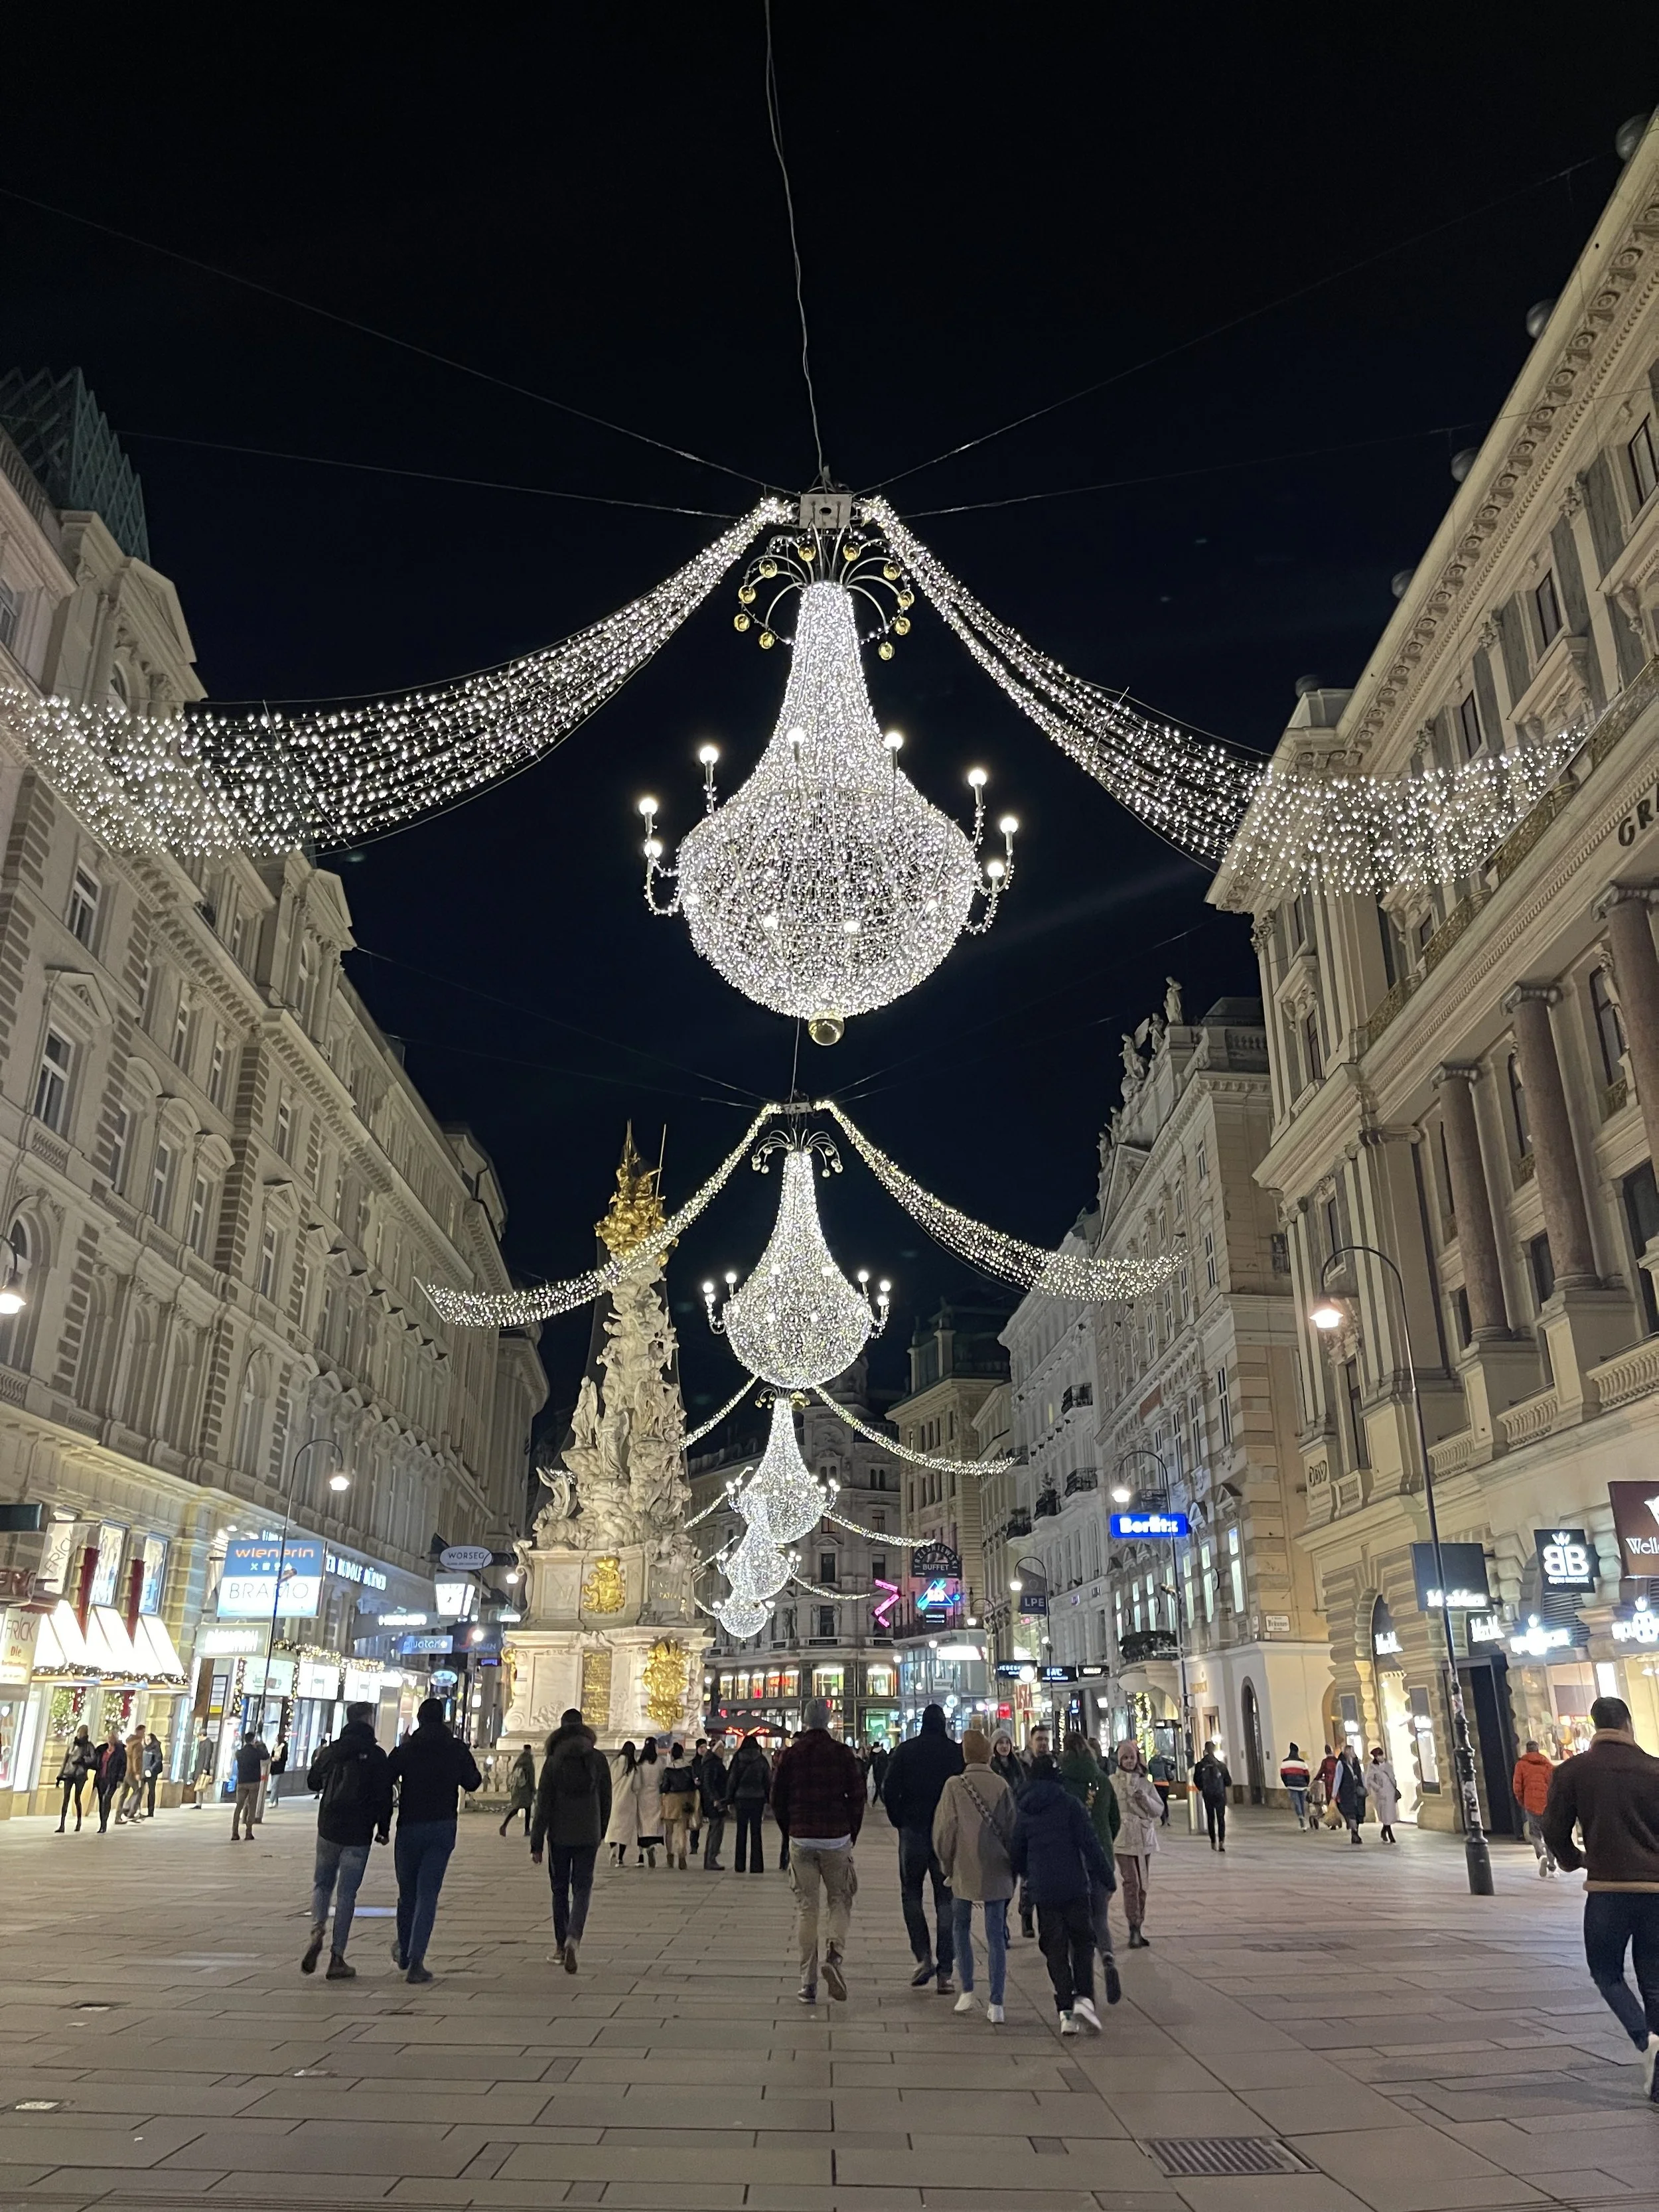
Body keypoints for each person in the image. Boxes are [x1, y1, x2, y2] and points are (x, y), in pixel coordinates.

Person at [1541, 1694, 1659, 2102]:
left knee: (1606, 1972)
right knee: (1656, 1982)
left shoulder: (1574, 1771)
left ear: (1595, 1725)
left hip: (1607, 1891)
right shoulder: (1655, 1769)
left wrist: (1573, 1860)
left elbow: (1552, 1826)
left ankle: (1645, 2040)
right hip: (1656, 1892)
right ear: (1628, 1724)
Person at [1011, 1751, 1114, 2035]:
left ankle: (1065, 2010)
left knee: (1054, 1948)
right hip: (1075, 1886)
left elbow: (1016, 1849)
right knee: (1082, 1943)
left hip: (1044, 1890)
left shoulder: (1026, 1807)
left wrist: (1026, 1874)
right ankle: (1084, 1999)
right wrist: (1107, 1878)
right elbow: (1091, 1843)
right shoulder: (1070, 1804)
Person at [770, 1698, 865, 2003]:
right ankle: (834, 1956)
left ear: (805, 1721)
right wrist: (852, 1831)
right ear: (829, 1721)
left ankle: (807, 1983)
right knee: (840, 1899)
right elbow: (858, 1796)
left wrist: (790, 1830)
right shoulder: (842, 1753)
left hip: (802, 1838)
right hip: (836, 1837)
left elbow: (777, 1798)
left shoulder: (791, 1755)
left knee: (806, 1908)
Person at [384, 1696, 482, 1983]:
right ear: (443, 1719)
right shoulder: (455, 1749)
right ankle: (416, 1960)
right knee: (428, 1895)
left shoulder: (408, 1749)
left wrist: (380, 1821)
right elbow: (473, 1782)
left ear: (419, 1719)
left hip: (411, 1825)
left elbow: (386, 1777)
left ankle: (404, 1951)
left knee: (408, 1894)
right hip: (442, 1826)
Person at [934, 1728, 1020, 2022]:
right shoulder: (1001, 1784)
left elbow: (945, 1832)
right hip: (997, 1867)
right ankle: (997, 2003)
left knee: (961, 1927)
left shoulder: (954, 1785)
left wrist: (947, 1866)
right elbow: (1013, 1829)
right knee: (996, 1934)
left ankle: (967, 1991)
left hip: (964, 1868)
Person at [302, 1702, 392, 1980]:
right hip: (358, 1831)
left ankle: (317, 1928)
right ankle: (337, 1956)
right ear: (367, 1719)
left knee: (322, 1883)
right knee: (346, 1895)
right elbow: (383, 1795)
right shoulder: (376, 1754)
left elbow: (313, 1782)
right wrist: (383, 1828)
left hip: (329, 1826)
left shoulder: (332, 1750)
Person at [882, 1702, 965, 1993]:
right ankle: (946, 1972)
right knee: (946, 1900)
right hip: (945, 1835)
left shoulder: (906, 1751)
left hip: (914, 1832)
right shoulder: (956, 1753)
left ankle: (923, 1957)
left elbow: (888, 1789)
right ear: (943, 1724)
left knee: (911, 1895)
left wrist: (900, 1820)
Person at [530, 1708, 612, 1974]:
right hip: (589, 1832)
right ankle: (574, 1938)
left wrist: (537, 1842)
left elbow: (543, 1803)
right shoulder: (598, 1759)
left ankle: (559, 1944)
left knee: (559, 1889)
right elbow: (606, 1799)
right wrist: (601, 1830)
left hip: (560, 1834)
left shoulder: (553, 1761)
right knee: (583, 1888)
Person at [1058, 1730, 1121, 1986]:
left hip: (1073, 1859)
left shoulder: (1063, 1782)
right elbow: (1115, 1820)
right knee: (1100, 1918)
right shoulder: (1103, 1780)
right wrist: (1105, 1842)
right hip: (1101, 1856)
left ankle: (1079, 1978)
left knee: (1076, 1923)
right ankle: (1107, 1956)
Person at [1109, 1741, 1162, 1947]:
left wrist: (1145, 1800)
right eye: (1125, 1758)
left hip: (1143, 1838)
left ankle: (1139, 1926)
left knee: (1143, 1884)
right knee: (1132, 1882)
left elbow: (1158, 1810)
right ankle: (1132, 1925)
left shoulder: (1145, 1783)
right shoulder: (1112, 1782)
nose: (1129, 1761)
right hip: (1122, 1839)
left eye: (1132, 1757)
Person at [728, 1730, 772, 1873]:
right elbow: (768, 1781)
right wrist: (769, 1799)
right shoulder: (761, 1760)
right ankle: (757, 1866)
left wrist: (729, 1798)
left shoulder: (738, 1759)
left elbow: (732, 1780)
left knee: (741, 1832)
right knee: (756, 1832)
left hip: (741, 1798)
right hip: (757, 1799)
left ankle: (739, 1865)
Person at [1513, 1739, 1557, 1875]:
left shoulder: (1521, 1765)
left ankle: (1541, 1855)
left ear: (1527, 1750)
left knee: (1535, 1832)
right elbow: (1555, 1784)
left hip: (1531, 1803)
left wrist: (1522, 1801)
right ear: (1538, 1750)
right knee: (1550, 1833)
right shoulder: (1547, 1765)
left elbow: (1517, 1786)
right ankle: (1552, 1864)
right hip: (1547, 1803)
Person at [660, 1741, 698, 1869]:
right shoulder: (688, 1768)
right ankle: (682, 1856)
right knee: (682, 1831)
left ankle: (670, 1856)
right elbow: (693, 1785)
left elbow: (665, 1787)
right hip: (684, 1800)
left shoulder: (668, 1769)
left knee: (669, 1831)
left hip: (670, 1800)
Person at [230, 1728, 268, 1841]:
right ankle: (248, 1832)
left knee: (239, 1807)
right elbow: (266, 1756)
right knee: (252, 1807)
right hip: (254, 1783)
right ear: (253, 1740)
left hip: (241, 1782)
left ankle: (235, 1832)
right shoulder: (256, 1752)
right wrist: (259, 1746)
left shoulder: (239, 1753)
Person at [605, 1741, 640, 1868]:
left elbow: (610, 1780)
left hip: (615, 1798)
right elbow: (637, 1787)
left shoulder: (615, 1763)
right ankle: (620, 1858)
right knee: (625, 1831)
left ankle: (613, 1848)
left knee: (613, 1827)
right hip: (628, 1801)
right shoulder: (633, 1768)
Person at [1194, 1739, 1232, 1852]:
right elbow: (1229, 1782)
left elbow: (1197, 1780)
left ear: (1205, 1750)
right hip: (1220, 1795)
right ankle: (1221, 1842)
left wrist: (1203, 1788)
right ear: (1214, 1750)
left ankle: (1213, 1842)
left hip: (1208, 1794)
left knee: (1211, 1818)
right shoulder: (1221, 1766)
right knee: (1221, 1819)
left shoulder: (1200, 1766)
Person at [55, 1726, 94, 1832]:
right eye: (79, 1732)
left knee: (77, 1798)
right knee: (66, 1798)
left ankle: (79, 1822)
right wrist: (60, 1775)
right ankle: (62, 1824)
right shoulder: (72, 1745)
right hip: (69, 1773)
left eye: (82, 1732)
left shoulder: (88, 1746)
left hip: (80, 1775)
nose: (80, 1734)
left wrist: (84, 1760)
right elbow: (65, 1760)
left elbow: (93, 1759)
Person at [633, 1737, 665, 1868]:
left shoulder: (640, 1764)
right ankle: (652, 1844)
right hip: (655, 1795)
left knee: (642, 1824)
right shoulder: (659, 1762)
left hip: (642, 1795)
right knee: (654, 1822)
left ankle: (641, 1853)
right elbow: (663, 1777)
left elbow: (636, 1782)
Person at [700, 1737, 729, 1868]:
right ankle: (711, 1859)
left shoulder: (714, 1763)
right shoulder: (712, 1764)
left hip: (717, 1800)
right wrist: (715, 1799)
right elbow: (708, 1784)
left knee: (717, 1829)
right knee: (716, 1830)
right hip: (714, 1802)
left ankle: (711, 1858)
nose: (723, 1752)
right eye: (721, 1749)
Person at [94, 1726, 127, 1834]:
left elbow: (123, 1765)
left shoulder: (120, 1751)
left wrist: (120, 1779)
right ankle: (102, 1823)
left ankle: (104, 1824)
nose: (110, 1740)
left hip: (112, 1779)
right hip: (101, 1779)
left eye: (112, 1738)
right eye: (109, 1737)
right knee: (101, 1801)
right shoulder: (102, 1749)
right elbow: (96, 1762)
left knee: (106, 1799)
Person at [499, 1744, 536, 1838]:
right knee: (526, 1808)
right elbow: (531, 1777)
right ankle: (527, 1830)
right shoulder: (529, 1762)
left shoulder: (519, 1760)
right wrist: (533, 1789)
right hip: (526, 1788)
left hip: (518, 1788)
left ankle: (505, 1825)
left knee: (517, 1808)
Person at [1366, 1745, 1401, 1843]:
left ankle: (1385, 1830)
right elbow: (1369, 1780)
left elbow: (1392, 1777)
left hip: (1390, 1792)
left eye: (1381, 1755)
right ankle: (1389, 1833)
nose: (1380, 1758)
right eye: (1378, 1756)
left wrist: (1395, 1787)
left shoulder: (1388, 1765)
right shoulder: (1372, 1767)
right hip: (1380, 1794)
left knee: (1389, 1814)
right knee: (1385, 1814)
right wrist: (1378, 1788)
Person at [115, 1724, 148, 1824]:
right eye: (143, 1732)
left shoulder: (129, 1742)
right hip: (132, 1772)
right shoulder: (138, 1744)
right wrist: (137, 1772)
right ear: (140, 1732)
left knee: (123, 1794)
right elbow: (136, 1759)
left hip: (126, 1771)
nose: (144, 1734)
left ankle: (118, 1816)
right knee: (139, 1790)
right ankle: (130, 1811)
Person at [1334, 1744, 1367, 1843]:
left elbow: (1362, 1776)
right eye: (1352, 1751)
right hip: (1347, 1792)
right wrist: (1334, 1793)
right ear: (1348, 1752)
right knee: (1351, 1813)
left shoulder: (1357, 1763)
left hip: (1358, 1792)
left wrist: (1365, 1787)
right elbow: (1337, 1779)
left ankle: (1355, 1831)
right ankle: (1355, 1833)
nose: (1354, 1753)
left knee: (1358, 1814)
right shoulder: (1341, 1764)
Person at [1279, 1743, 1312, 1830]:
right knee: (1302, 1803)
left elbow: (1283, 1775)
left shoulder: (1285, 1762)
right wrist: (1306, 1784)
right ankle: (1303, 1820)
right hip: (1302, 1786)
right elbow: (1307, 1775)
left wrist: (1287, 1784)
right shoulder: (1302, 1762)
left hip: (1292, 1786)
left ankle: (1301, 1817)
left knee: (1297, 1803)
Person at [688, 1737, 708, 1856]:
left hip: (707, 1792)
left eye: (705, 1747)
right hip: (697, 1793)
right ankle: (694, 1846)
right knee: (695, 1820)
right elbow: (692, 1775)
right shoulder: (694, 1762)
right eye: (701, 1747)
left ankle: (712, 1846)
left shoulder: (709, 1761)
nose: (704, 1749)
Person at [989, 1731, 1025, 1797]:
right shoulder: (991, 1766)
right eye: (1001, 1743)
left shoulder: (1017, 1764)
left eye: (1007, 1743)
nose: (1005, 1746)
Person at [1147, 1747, 1177, 1824]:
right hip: (1165, 1784)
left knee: (1160, 1801)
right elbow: (1174, 1764)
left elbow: (1149, 1771)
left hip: (1156, 1784)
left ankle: (1163, 1819)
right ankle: (1167, 1818)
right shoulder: (1164, 1761)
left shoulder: (1151, 1762)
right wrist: (1169, 1770)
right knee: (1165, 1801)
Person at [1316, 1745, 1341, 1830]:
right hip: (1338, 1783)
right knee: (1338, 1802)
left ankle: (1333, 1823)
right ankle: (1342, 1820)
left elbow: (1321, 1771)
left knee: (1331, 1803)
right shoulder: (1337, 1761)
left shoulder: (1325, 1762)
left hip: (1329, 1783)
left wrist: (1316, 1779)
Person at [188, 1729, 214, 1808]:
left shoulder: (208, 1743)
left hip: (203, 1767)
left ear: (202, 1735)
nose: (198, 1738)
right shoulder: (201, 1743)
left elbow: (208, 1756)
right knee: (198, 1783)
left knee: (201, 1784)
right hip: (198, 1766)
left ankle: (199, 1803)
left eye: (199, 1736)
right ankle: (198, 1803)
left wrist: (205, 1768)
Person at [143, 1731, 165, 1818]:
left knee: (151, 1791)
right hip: (143, 1771)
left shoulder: (156, 1747)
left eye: (149, 1739)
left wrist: (151, 1770)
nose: (147, 1741)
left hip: (152, 1773)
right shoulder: (145, 1747)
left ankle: (150, 1811)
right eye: (146, 1739)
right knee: (139, 1790)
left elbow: (158, 1760)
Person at [267, 1735, 289, 1810]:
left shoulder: (284, 1746)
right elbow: (272, 1755)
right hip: (273, 1768)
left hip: (279, 1768)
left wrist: (278, 1759)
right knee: (275, 1785)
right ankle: (276, 1801)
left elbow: (285, 1758)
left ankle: (271, 1801)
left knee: (274, 1785)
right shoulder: (275, 1746)